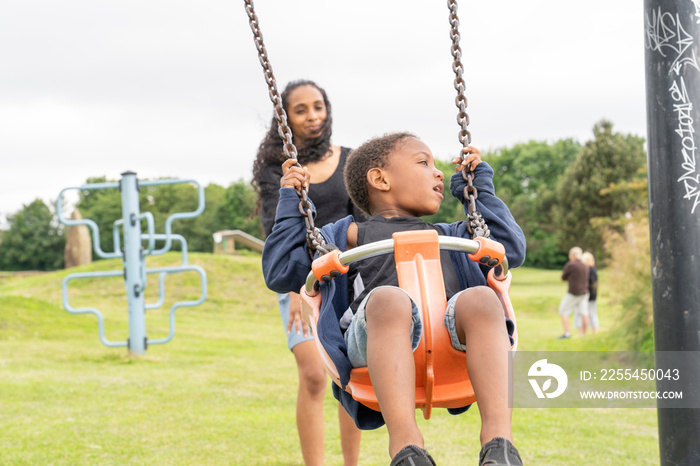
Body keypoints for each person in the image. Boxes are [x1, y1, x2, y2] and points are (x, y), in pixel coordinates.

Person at [262, 132, 526, 465]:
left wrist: (478, 188)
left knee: (483, 300)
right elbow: (281, 269)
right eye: (423, 162)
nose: (438, 172)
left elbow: (509, 248)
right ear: (380, 179)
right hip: (371, 344)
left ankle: (499, 446)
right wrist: (291, 199)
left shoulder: (451, 235)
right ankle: (406, 449)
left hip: (449, 341)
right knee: (389, 299)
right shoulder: (345, 238)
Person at [252, 79, 363, 466]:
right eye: (301, 110)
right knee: (315, 375)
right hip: (301, 280)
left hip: (348, 278)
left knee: (350, 375)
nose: (313, 116)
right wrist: (298, 291)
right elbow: (277, 229)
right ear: (286, 118)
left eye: (318, 106)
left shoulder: (351, 159)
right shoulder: (277, 168)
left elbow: (362, 223)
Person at [557, 246, 589, 338]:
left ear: (573, 255)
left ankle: (567, 333)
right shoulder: (584, 265)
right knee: (584, 312)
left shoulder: (570, 265)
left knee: (563, 311)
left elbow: (563, 277)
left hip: (573, 292)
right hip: (584, 292)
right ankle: (584, 333)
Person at [578, 251, 598, 333]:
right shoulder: (590, 269)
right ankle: (589, 330)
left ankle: (594, 330)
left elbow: (592, 283)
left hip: (590, 296)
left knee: (591, 313)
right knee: (588, 313)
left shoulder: (590, 270)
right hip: (590, 295)